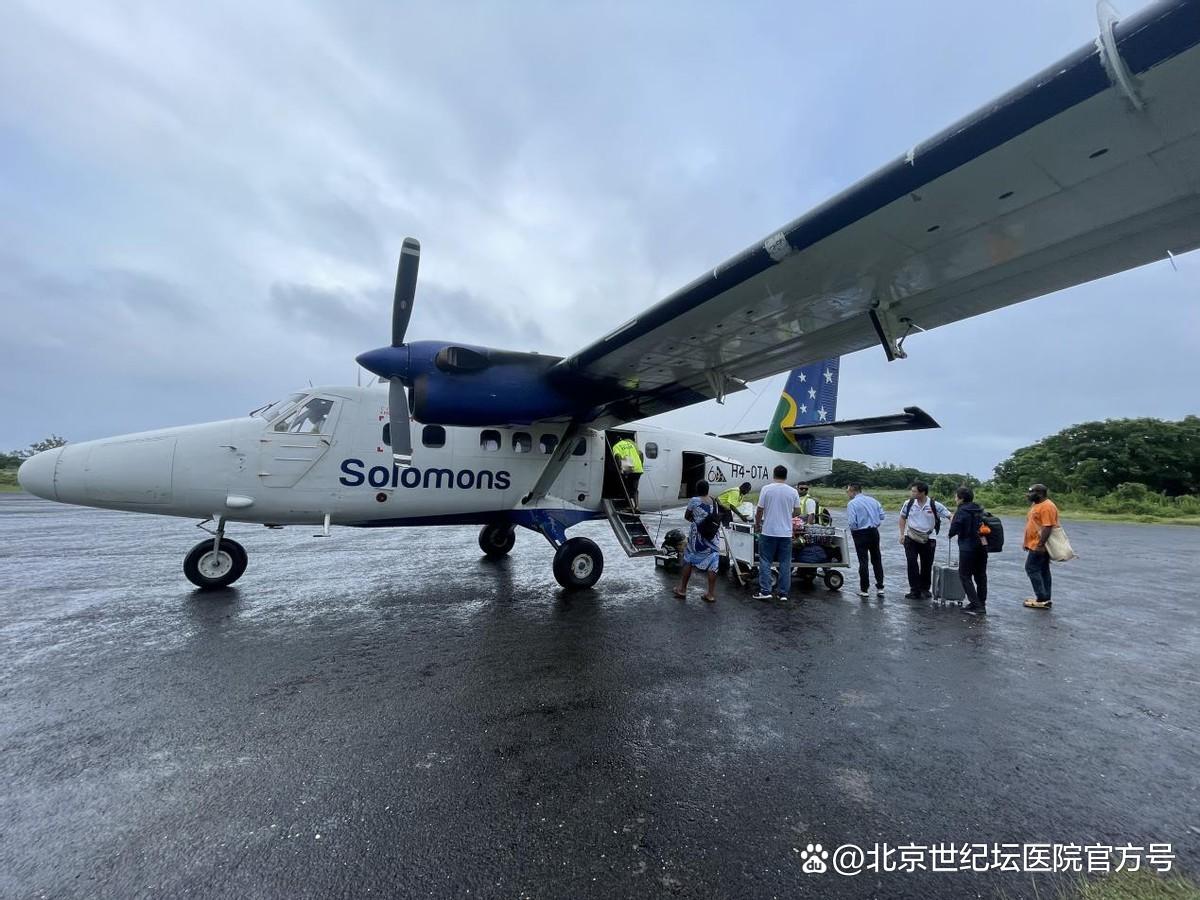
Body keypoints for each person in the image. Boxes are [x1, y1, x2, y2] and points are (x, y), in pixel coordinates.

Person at [753, 466, 801, 602]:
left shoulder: (766, 489)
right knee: (785, 563)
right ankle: (783, 593)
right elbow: (798, 511)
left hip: (768, 531)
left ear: (773, 475)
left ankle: (765, 591)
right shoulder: (793, 491)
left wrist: (757, 524)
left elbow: (759, 510)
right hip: (786, 534)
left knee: (765, 561)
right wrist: (787, 515)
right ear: (786, 476)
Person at [898, 481, 951, 600]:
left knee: (926, 564)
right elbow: (902, 517)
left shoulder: (934, 505)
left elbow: (949, 515)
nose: (912, 493)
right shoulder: (909, 503)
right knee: (911, 562)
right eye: (912, 491)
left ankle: (925, 589)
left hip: (929, 538)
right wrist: (901, 534)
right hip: (911, 537)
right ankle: (914, 590)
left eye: (914, 491)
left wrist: (953, 528)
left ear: (922, 492)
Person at [673, 480, 721, 603]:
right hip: (713, 537)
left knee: (688, 560)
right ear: (708, 489)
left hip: (698, 538)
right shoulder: (714, 500)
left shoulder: (694, 501)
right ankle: (710, 594)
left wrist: (696, 521)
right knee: (713, 564)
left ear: (697, 489)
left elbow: (686, 516)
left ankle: (682, 590)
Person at [948, 485, 988, 614]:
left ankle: (976, 605)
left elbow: (955, 528)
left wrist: (950, 532)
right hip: (982, 545)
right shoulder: (979, 508)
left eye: (956, 496)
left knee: (964, 575)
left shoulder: (961, 511)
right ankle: (981, 603)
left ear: (961, 498)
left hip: (968, 547)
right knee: (980, 575)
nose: (955, 499)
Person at [845, 483, 886, 598]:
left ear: (853, 491)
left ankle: (864, 589)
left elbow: (852, 522)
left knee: (863, 561)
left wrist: (855, 530)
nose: (847, 494)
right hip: (873, 531)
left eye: (848, 491)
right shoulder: (873, 500)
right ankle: (880, 587)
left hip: (860, 532)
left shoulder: (852, 503)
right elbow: (882, 516)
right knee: (876, 559)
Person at [1023, 483, 1060, 610]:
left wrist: (1040, 544)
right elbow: (1033, 524)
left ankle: (1041, 598)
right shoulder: (1036, 505)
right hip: (1034, 543)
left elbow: (1047, 526)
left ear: (1040, 493)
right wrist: (1027, 542)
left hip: (1039, 545)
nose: (1028, 494)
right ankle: (1045, 597)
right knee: (1043, 570)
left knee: (1031, 568)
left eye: (1031, 492)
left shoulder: (1047, 506)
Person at [610, 437, 644, 512]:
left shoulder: (616, 446)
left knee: (626, 487)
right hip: (638, 468)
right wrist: (641, 465)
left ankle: (629, 506)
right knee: (635, 488)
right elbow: (641, 454)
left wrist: (619, 468)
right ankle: (637, 507)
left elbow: (617, 457)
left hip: (629, 469)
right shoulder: (631, 444)